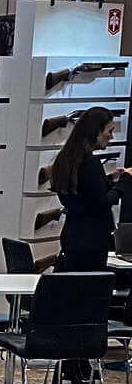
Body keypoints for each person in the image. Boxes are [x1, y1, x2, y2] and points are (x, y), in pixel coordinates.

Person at [49, 107, 128, 269]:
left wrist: (111, 180)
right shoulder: (90, 163)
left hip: (74, 236)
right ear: (96, 131)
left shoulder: (67, 158)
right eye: (109, 130)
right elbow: (100, 203)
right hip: (91, 241)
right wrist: (124, 184)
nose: (111, 136)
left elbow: (85, 192)